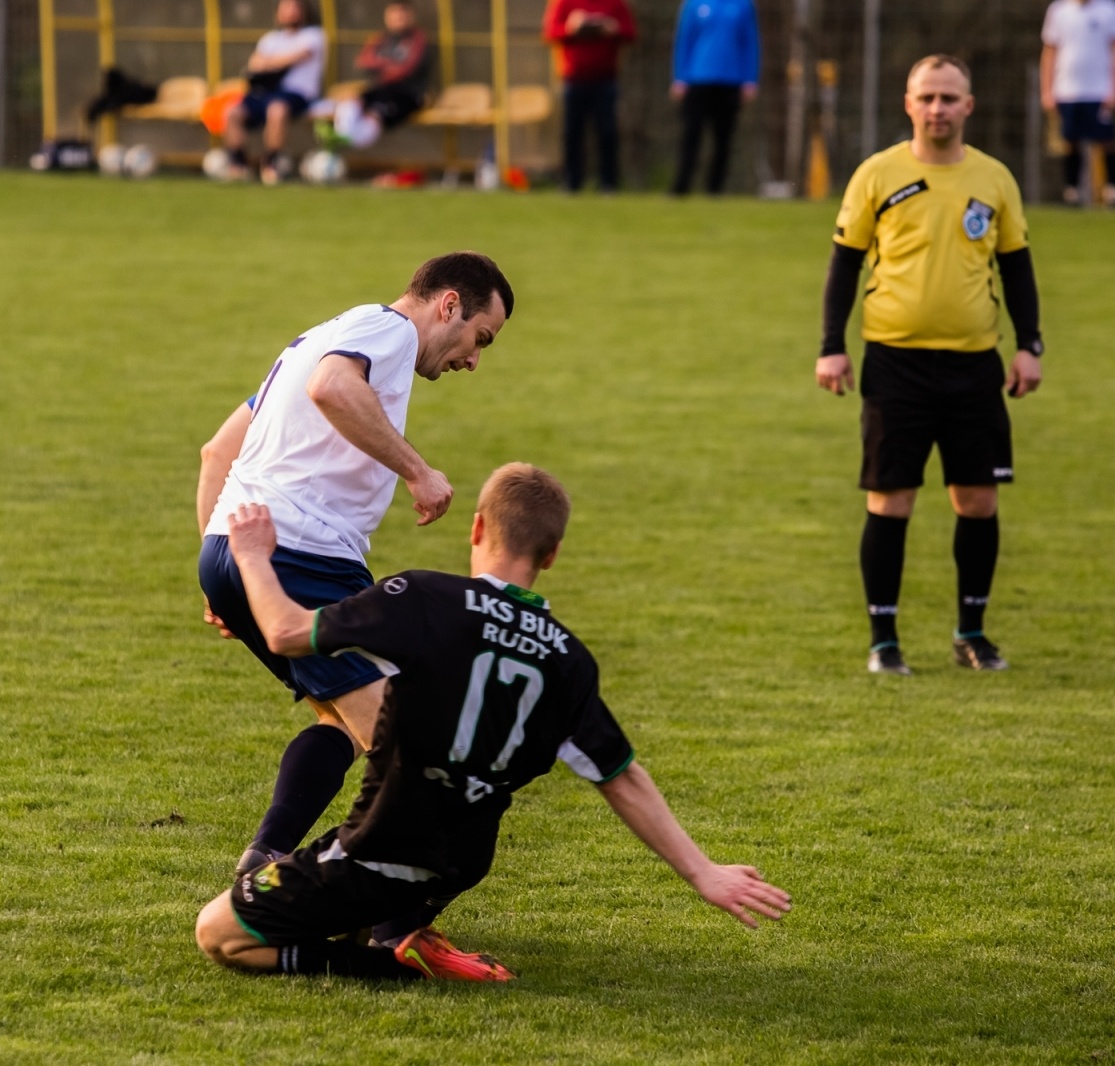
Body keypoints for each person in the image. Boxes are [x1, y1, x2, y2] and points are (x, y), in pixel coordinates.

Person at [195, 464, 793, 981]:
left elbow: (285, 633)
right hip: (457, 865)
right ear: (552, 556)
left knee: (220, 934)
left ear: (477, 528)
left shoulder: (423, 597)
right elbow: (622, 776)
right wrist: (703, 872)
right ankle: (396, 932)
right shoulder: (569, 658)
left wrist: (249, 556)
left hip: (380, 851)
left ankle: (391, 967)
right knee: (377, 897)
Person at [197, 252, 514, 880]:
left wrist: (226, 568)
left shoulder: (313, 339)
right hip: (302, 556)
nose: (474, 359)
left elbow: (217, 453)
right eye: (481, 338)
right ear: (449, 305)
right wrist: (418, 471)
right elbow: (333, 387)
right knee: (403, 748)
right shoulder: (389, 330)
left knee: (338, 719)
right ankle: (359, 905)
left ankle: (267, 859)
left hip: (236, 553)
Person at [815, 55, 1044, 676]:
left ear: (969, 106)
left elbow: (1017, 268)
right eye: (927, 97)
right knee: (891, 500)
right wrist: (831, 344)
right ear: (908, 104)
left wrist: (1030, 344)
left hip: (975, 366)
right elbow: (844, 264)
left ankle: (972, 632)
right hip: (896, 364)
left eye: (949, 98)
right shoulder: (877, 174)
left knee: (977, 499)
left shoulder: (994, 179)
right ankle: (883, 641)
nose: (938, 108)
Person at [220, 0, 327, 185]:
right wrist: (272, 62)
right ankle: (238, 164)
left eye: (295, 8)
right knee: (232, 112)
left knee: (276, 110)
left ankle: (270, 163)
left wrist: (269, 62)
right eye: (286, 8)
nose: (290, 12)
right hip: (265, 91)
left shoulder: (314, 35)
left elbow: (293, 58)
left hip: (297, 94)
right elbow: (254, 64)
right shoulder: (270, 39)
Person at [1041, 0, 1115, 206]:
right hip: (1066, 91)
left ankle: (1114, 190)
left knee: (1108, 140)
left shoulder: (1111, 9)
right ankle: (1072, 192)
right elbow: (1049, 52)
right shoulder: (1058, 11)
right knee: (1070, 141)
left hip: (1100, 91)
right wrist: (1047, 90)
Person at [542, 0, 637, 194]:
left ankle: (608, 183)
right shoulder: (564, 3)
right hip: (573, 79)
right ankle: (572, 182)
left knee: (607, 132)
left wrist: (612, 28)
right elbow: (550, 33)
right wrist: (571, 28)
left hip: (606, 80)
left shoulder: (615, 4)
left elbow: (630, 33)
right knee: (572, 133)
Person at [669, 0, 759, 196]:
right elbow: (685, 40)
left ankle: (715, 189)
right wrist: (680, 77)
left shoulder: (743, 5)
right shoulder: (694, 4)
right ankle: (681, 186)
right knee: (691, 135)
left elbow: (749, 42)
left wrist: (750, 79)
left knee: (723, 139)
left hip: (730, 81)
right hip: (697, 79)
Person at [318, 1, 430, 152]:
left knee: (375, 113)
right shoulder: (381, 38)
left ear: (410, 16)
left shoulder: (417, 38)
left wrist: (382, 64)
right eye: (394, 14)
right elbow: (363, 60)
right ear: (387, 17)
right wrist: (390, 64)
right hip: (381, 88)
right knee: (351, 101)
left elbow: (405, 69)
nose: (398, 18)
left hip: (408, 93)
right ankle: (340, 136)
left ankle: (346, 141)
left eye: (402, 15)